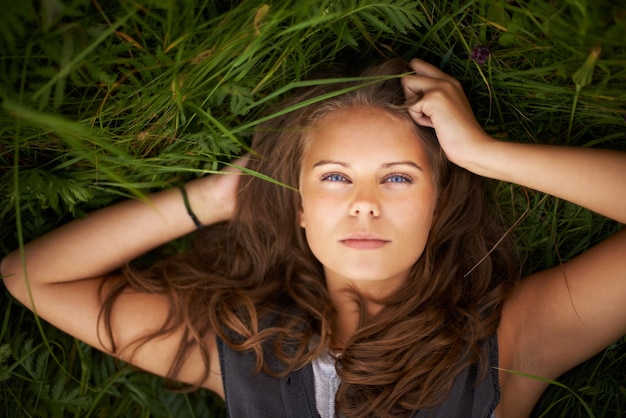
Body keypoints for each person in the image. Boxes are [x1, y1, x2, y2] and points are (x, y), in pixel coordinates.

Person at [2, 57, 625, 418]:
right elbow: (33, 276)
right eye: (333, 177)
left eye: (399, 178)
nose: (363, 204)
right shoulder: (246, 355)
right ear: (297, 207)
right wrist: (218, 198)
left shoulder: (504, 343)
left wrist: (485, 155)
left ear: (439, 205)